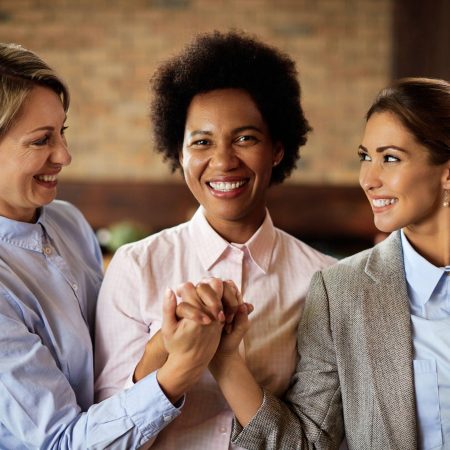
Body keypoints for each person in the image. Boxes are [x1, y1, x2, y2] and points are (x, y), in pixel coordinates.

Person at [94, 30, 335, 449]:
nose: (223, 161)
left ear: (277, 149)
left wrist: (226, 360)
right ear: (180, 153)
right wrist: (165, 349)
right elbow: (104, 440)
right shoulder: (135, 266)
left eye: (245, 138)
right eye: (202, 142)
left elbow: (310, 441)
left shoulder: (325, 281)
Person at [0, 42, 228, 449]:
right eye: (41, 141)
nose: (65, 155)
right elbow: (63, 443)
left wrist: (164, 340)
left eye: (62, 132)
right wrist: (181, 370)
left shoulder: (67, 221)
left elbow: (110, 362)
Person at [206, 77, 450, 449]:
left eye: (390, 158)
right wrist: (225, 361)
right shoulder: (341, 292)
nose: (368, 179)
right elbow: (306, 442)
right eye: (365, 157)